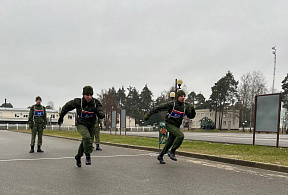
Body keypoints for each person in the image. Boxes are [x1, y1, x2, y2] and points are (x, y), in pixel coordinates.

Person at [144, 90, 196, 164]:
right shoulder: (172, 104)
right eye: (181, 96)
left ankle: (160, 156)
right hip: (169, 124)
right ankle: (172, 151)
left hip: (176, 126)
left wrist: (193, 110)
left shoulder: (185, 106)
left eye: (184, 96)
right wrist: (149, 114)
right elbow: (159, 107)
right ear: (177, 97)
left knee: (170, 142)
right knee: (180, 136)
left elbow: (191, 116)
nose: (183, 97)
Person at [58, 86, 105, 167]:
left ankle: (78, 156)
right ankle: (88, 156)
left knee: (85, 142)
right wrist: (61, 117)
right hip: (81, 124)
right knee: (87, 138)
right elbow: (66, 107)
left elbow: (102, 115)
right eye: (87, 95)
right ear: (83, 95)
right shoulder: (78, 102)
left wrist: (97, 112)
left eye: (91, 95)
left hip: (91, 125)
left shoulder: (95, 103)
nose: (89, 97)